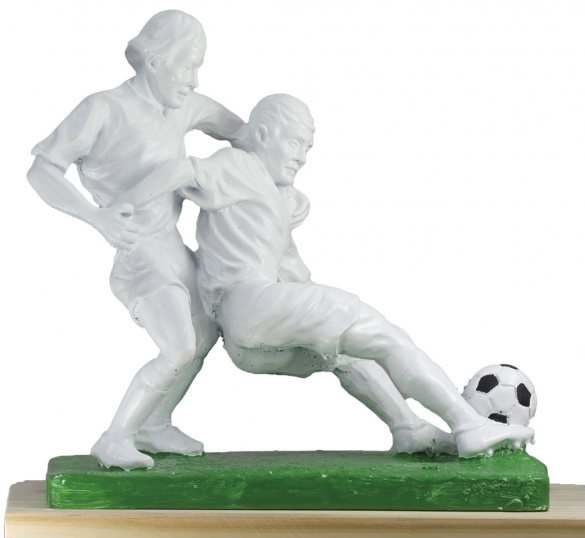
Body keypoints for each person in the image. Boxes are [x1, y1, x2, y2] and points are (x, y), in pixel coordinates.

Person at [122, 94, 534, 458]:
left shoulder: (276, 202)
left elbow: (295, 275)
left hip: (248, 342)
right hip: (250, 304)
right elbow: (180, 171)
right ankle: (468, 425)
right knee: (387, 336)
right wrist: (123, 207)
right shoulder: (238, 166)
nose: (302, 156)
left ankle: (408, 428)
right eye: (294, 143)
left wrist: (319, 314)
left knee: (346, 352)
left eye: (307, 147)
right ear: (262, 135)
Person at [27, 10, 251, 470]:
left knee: (206, 332)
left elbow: (245, 135)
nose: (194, 79)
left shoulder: (184, 106)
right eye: (188, 65)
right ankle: (115, 437)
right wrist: (96, 216)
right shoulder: (102, 108)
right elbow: (42, 169)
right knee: (178, 346)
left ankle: (155, 423)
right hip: (138, 252)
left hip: (174, 247)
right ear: (155, 60)